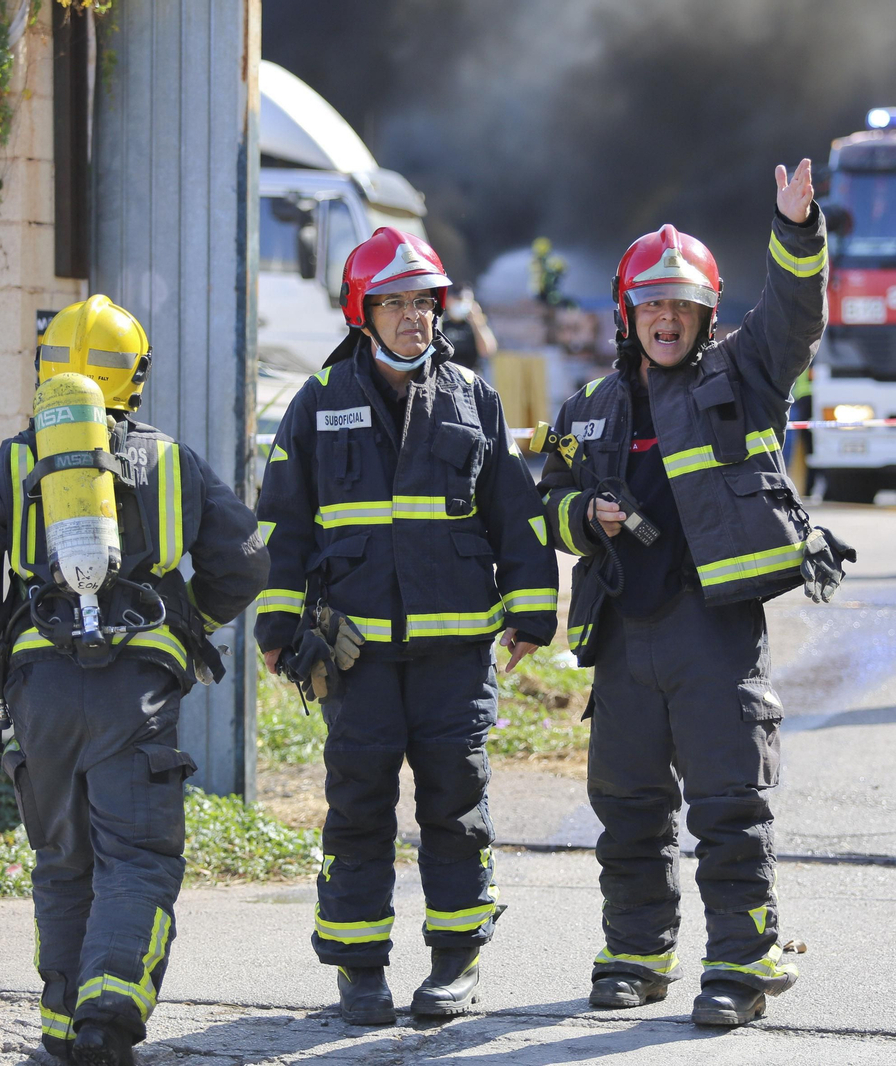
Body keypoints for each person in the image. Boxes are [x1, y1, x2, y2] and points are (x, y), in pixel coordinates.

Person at [538, 159, 850, 1027]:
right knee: (628, 808)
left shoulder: (741, 379)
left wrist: (796, 231)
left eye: (681, 306)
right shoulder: (589, 408)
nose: (666, 320)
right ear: (627, 316)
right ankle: (636, 957)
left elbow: (794, 319)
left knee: (727, 806)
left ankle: (741, 969)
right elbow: (545, 505)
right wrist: (580, 516)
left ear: (707, 314)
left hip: (712, 633)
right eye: (651, 307)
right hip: (621, 640)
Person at [0, 295, 267, 1065]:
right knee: (137, 859)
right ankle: (107, 1021)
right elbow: (245, 559)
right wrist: (189, 627)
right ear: (135, 378)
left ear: (44, 370)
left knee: (62, 859)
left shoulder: (18, 459)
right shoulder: (171, 460)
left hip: (39, 694)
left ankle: (59, 1029)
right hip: (134, 693)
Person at [254, 227, 558, 1024]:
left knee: (456, 804)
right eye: (395, 303)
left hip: (455, 655)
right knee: (357, 805)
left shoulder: (472, 398)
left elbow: (514, 515)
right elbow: (284, 524)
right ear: (363, 311)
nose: (414, 318)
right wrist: (278, 629)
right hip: (355, 658)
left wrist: (530, 610)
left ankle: (456, 963)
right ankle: (360, 969)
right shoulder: (318, 406)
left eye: (424, 302)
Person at [443, 285, 497, 372]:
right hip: (446, 376)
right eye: (459, 299)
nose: (462, 304)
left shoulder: (476, 325)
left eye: (467, 301)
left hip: (471, 377)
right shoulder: (442, 324)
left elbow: (487, 351)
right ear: (448, 300)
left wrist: (477, 321)